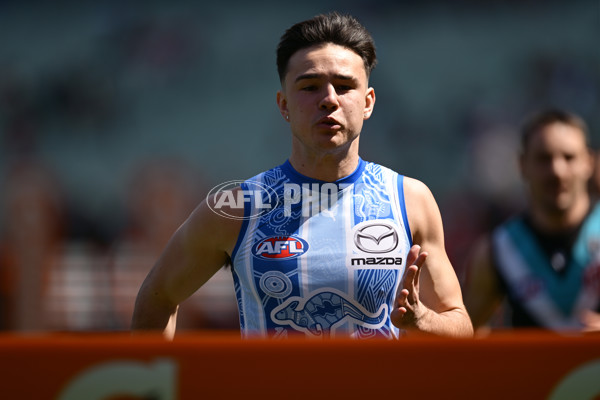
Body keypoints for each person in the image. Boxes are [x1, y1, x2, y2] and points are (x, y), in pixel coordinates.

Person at [132, 12, 473, 339]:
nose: (328, 100)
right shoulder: (238, 208)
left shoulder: (411, 200)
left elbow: (460, 324)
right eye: (310, 87)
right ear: (283, 105)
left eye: (344, 86)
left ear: (368, 102)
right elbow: (157, 298)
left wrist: (422, 319)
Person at [464, 109, 600, 333]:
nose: (557, 171)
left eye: (569, 157)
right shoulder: (499, 250)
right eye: (543, 158)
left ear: (588, 162)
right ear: (522, 164)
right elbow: (465, 334)